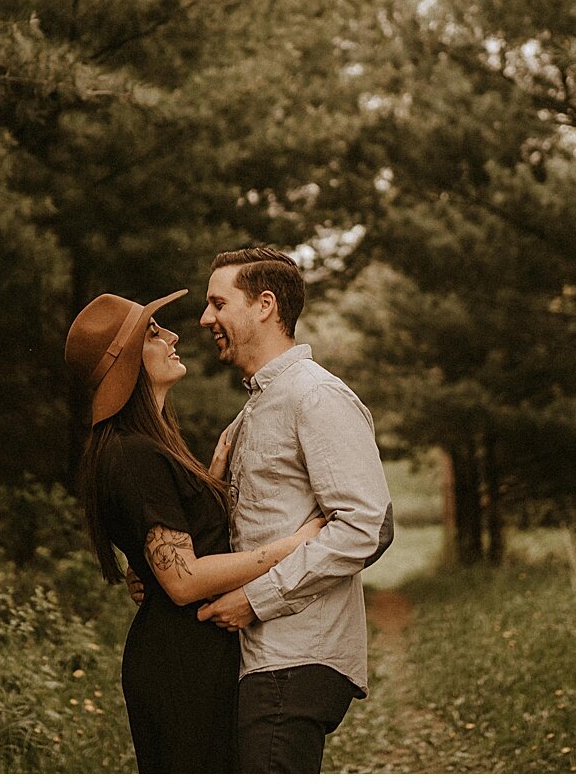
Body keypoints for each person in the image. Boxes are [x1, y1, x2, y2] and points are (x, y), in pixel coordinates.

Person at [65, 288, 326, 773]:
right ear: (127, 364)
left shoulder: (147, 447)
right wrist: (292, 545)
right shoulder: (133, 454)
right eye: (153, 332)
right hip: (181, 667)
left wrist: (210, 479)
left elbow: (170, 547)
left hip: (192, 657)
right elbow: (183, 580)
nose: (172, 336)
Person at [195, 247, 394, 773]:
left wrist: (255, 600)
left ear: (264, 305)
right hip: (262, 659)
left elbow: (366, 527)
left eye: (218, 303)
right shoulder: (255, 408)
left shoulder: (316, 397)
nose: (205, 319)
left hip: (296, 656)